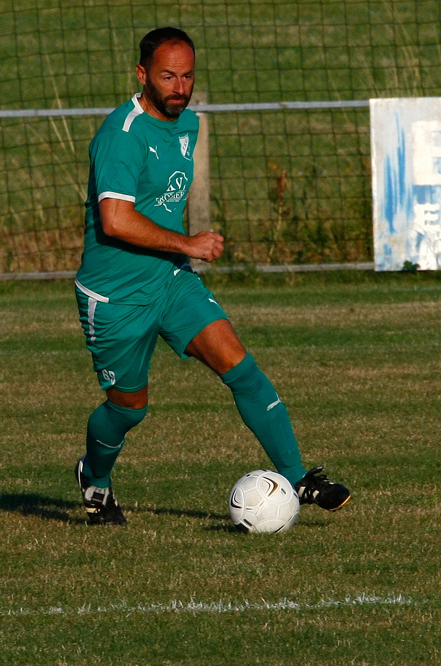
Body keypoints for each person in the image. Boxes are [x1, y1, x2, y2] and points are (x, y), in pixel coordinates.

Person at [73, 27, 350, 525]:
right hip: (115, 298)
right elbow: (114, 219)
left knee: (241, 368)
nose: (179, 87)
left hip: (170, 282)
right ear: (141, 76)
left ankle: (298, 476)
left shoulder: (188, 125)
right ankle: (95, 479)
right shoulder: (121, 135)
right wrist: (188, 242)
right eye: (167, 77)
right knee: (128, 409)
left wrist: (180, 255)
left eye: (187, 76)